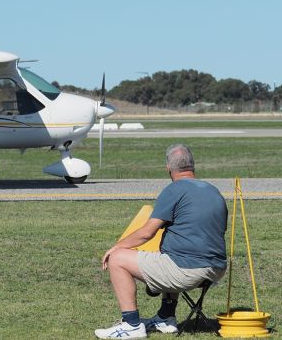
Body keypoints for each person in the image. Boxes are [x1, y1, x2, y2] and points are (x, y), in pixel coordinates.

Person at [94, 144, 227, 339]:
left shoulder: (174, 190)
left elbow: (146, 233)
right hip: (216, 269)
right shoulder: (213, 191)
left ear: (168, 168)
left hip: (188, 270)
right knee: (167, 253)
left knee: (117, 259)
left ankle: (131, 325)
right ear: (193, 166)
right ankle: (166, 317)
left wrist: (117, 247)